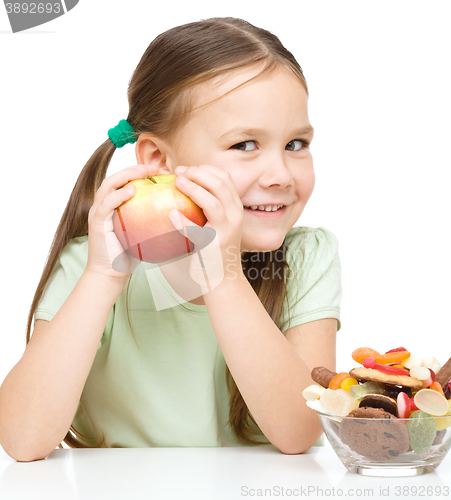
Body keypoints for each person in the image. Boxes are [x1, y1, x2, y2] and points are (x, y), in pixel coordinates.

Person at [0, 17, 342, 461]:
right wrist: (102, 278)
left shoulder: (305, 258)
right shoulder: (90, 264)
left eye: (296, 144)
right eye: (245, 145)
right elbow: (23, 440)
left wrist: (225, 278)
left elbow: (300, 432)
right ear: (159, 159)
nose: (280, 176)